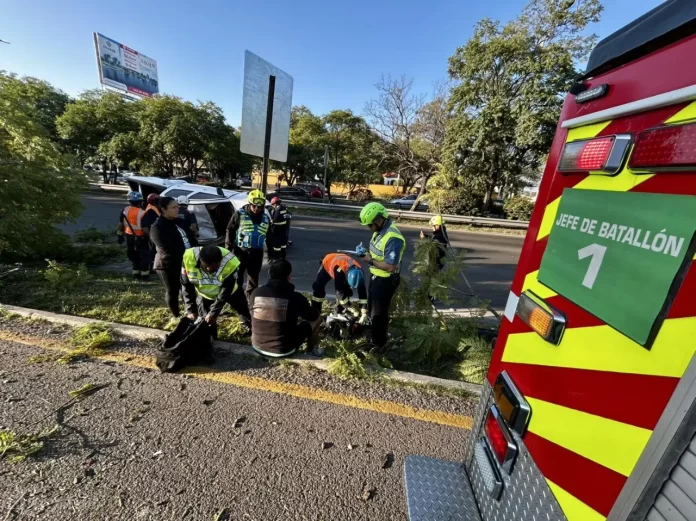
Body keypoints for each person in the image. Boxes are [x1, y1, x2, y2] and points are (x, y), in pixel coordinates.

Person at [249, 259, 321, 358]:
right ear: (289, 277)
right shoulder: (296, 297)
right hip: (283, 349)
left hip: (257, 346)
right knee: (316, 320)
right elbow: (313, 316)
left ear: (269, 273)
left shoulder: (256, 293)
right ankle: (311, 351)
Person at [359, 202, 406, 350]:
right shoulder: (380, 231)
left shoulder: (393, 238)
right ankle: (374, 336)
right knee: (372, 310)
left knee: (378, 314)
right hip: (376, 276)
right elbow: (378, 252)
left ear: (379, 220)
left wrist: (370, 260)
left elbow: (391, 266)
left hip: (386, 280)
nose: (369, 228)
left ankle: (378, 345)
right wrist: (365, 252)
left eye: (370, 225)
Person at [181, 245, 251, 337]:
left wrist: (213, 313)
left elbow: (226, 291)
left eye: (215, 267)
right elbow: (186, 285)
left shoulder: (230, 262)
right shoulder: (188, 258)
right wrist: (191, 309)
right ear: (200, 260)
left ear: (221, 260)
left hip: (230, 292)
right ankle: (212, 338)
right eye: (206, 266)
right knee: (206, 322)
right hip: (204, 294)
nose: (209, 269)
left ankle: (252, 330)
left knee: (243, 311)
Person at [150, 197, 198, 317]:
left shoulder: (180, 221)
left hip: (187, 261)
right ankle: (176, 316)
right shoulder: (157, 227)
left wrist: (196, 253)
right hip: (167, 264)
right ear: (163, 209)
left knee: (189, 288)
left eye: (178, 207)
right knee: (173, 290)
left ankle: (192, 313)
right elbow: (167, 250)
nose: (177, 209)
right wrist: (184, 260)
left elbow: (192, 238)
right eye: (174, 207)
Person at [225, 189, 270, 301]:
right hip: (240, 251)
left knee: (253, 278)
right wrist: (228, 248)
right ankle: (237, 299)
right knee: (237, 277)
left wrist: (272, 253)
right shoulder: (239, 214)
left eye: (259, 207)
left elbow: (270, 236)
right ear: (250, 204)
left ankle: (251, 299)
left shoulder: (266, 218)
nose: (257, 209)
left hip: (257, 252)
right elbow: (230, 230)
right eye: (254, 206)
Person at [311, 253, 368, 319]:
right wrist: (350, 307)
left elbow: (362, 291)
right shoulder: (339, 272)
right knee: (318, 288)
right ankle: (315, 313)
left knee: (348, 291)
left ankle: (340, 310)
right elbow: (339, 293)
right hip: (328, 262)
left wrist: (364, 310)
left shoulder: (359, 273)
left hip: (341, 262)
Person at [117, 191, 150, 280]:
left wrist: (119, 235)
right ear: (140, 201)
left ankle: (135, 275)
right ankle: (144, 276)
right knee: (144, 257)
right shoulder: (142, 213)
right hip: (141, 238)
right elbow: (145, 229)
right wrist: (151, 238)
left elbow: (121, 224)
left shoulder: (125, 210)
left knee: (134, 256)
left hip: (129, 237)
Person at [141, 193, 161, 273]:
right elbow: (148, 225)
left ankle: (152, 267)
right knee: (153, 251)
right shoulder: (151, 211)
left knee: (154, 251)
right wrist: (151, 236)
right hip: (152, 235)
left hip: (153, 234)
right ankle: (151, 268)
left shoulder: (152, 208)